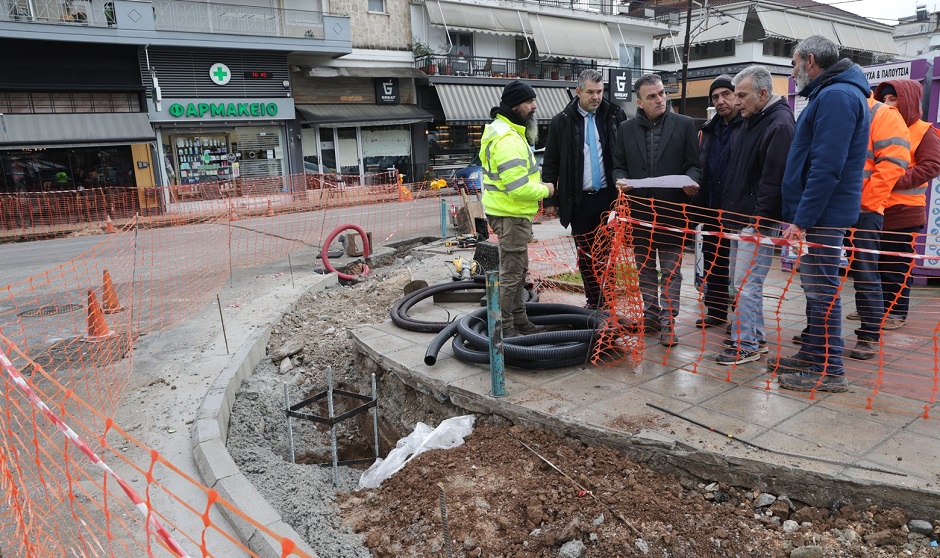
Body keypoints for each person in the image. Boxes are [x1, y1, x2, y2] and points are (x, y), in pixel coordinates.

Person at [771, 36, 870, 392]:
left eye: (795, 62)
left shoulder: (837, 97)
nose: (793, 70)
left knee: (823, 291)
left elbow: (827, 167)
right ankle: (814, 355)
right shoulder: (832, 94)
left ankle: (830, 371)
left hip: (823, 216)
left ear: (810, 60)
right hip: (820, 214)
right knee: (815, 290)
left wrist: (802, 219)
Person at [612, 73, 703, 347]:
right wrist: (620, 180)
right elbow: (618, 164)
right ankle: (650, 316)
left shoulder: (685, 124)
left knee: (672, 271)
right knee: (645, 270)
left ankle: (668, 322)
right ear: (639, 102)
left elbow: (694, 164)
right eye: (652, 96)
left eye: (662, 93)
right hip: (638, 213)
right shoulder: (625, 130)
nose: (660, 99)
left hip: (672, 211)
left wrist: (692, 181)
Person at [715, 65, 794, 365]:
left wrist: (759, 221)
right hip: (740, 218)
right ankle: (755, 338)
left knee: (747, 285)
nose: (736, 102)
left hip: (757, 221)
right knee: (744, 284)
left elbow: (773, 180)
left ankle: (744, 345)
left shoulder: (779, 125)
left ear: (763, 93)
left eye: (742, 95)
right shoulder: (753, 119)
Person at [542, 69, 627, 309]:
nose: (596, 97)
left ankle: (608, 300)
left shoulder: (614, 115)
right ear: (578, 91)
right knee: (586, 254)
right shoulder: (562, 120)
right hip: (578, 200)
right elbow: (551, 162)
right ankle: (593, 299)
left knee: (608, 254)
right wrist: (550, 200)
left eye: (600, 91)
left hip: (609, 199)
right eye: (591, 92)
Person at [479, 80, 556, 338]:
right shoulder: (507, 139)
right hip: (510, 214)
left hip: (511, 213)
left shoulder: (506, 132)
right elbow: (518, 188)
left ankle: (520, 321)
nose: (534, 106)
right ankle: (504, 329)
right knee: (511, 274)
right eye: (529, 102)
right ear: (514, 106)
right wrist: (547, 190)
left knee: (518, 270)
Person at [839, 88, 910, 360]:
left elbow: (894, 162)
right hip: (835, 207)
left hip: (863, 210)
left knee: (866, 273)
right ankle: (816, 330)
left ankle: (869, 335)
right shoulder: (841, 109)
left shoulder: (881, 113)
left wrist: (867, 203)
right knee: (822, 272)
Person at [873, 79, 940, 330]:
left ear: (908, 101)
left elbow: (932, 165)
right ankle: (873, 309)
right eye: (885, 100)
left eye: (893, 100)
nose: (887, 105)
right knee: (874, 264)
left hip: (904, 213)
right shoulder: (881, 126)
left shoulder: (923, 130)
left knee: (896, 267)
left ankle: (896, 313)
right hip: (878, 208)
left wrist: (893, 179)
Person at [693, 74, 744, 329]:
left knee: (740, 267)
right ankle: (716, 310)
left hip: (737, 208)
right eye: (716, 97)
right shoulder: (708, 130)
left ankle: (743, 322)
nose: (721, 101)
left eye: (726, 94)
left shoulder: (747, 126)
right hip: (711, 206)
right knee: (713, 260)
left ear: (737, 96)